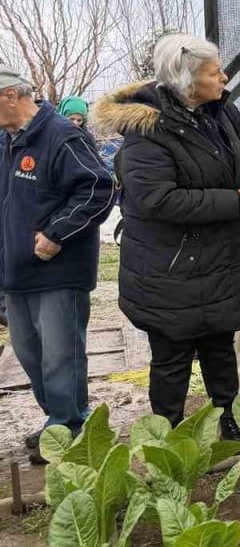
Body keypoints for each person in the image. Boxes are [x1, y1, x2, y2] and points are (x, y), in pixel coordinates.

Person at [93, 33, 240, 443]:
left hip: (220, 259)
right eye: (215, 72)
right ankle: (168, 436)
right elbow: (158, 200)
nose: (224, 77)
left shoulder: (222, 113)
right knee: (172, 357)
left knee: (220, 347)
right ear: (187, 80)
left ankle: (230, 420)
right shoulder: (147, 130)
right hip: (169, 268)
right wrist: (236, 198)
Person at [0, 72, 115, 463]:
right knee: (28, 353)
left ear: (11, 96)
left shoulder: (62, 136)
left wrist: (56, 233)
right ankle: (59, 418)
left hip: (57, 270)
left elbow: (100, 188)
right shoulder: (7, 143)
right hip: (16, 273)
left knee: (60, 354)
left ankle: (69, 426)